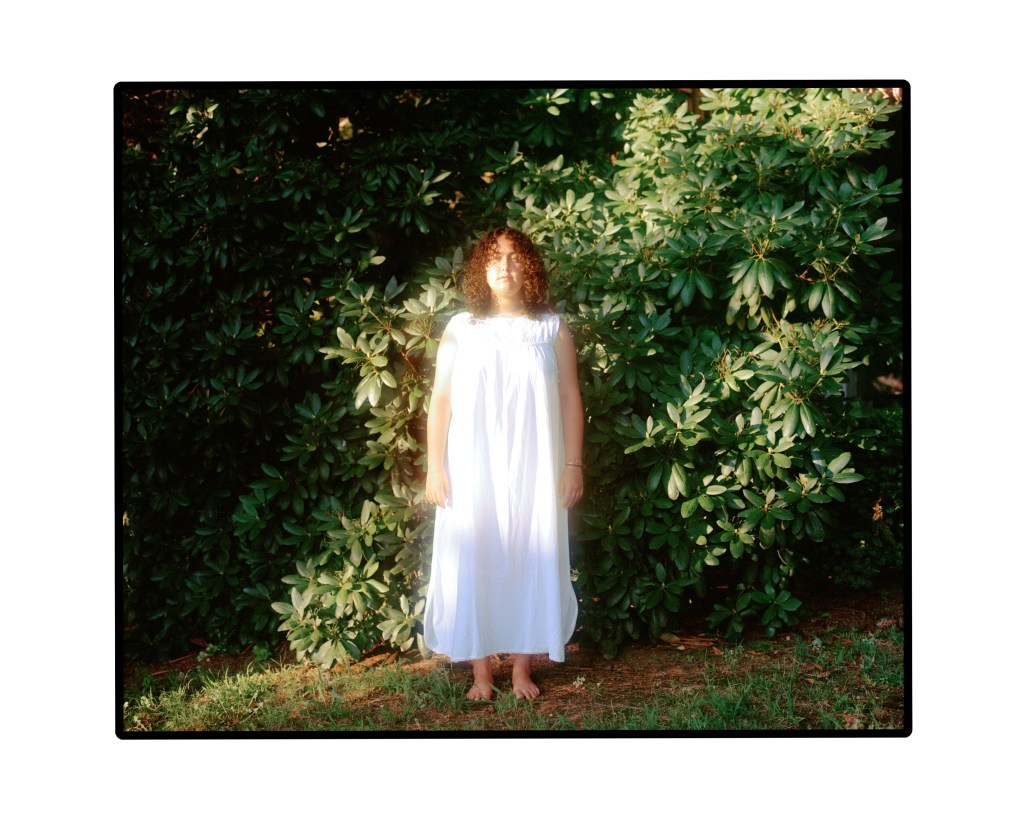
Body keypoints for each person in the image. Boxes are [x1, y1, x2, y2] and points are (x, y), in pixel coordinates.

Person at [422, 227, 584, 701]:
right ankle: (481, 673)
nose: (505, 267)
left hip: (536, 465)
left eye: (514, 258)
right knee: (476, 554)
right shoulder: (461, 328)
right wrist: (435, 466)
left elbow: (570, 396)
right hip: (472, 464)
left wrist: (573, 463)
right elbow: (441, 399)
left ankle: (521, 669)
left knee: (531, 553)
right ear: (482, 268)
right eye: (495, 258)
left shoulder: (551, 328)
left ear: (528, 267)